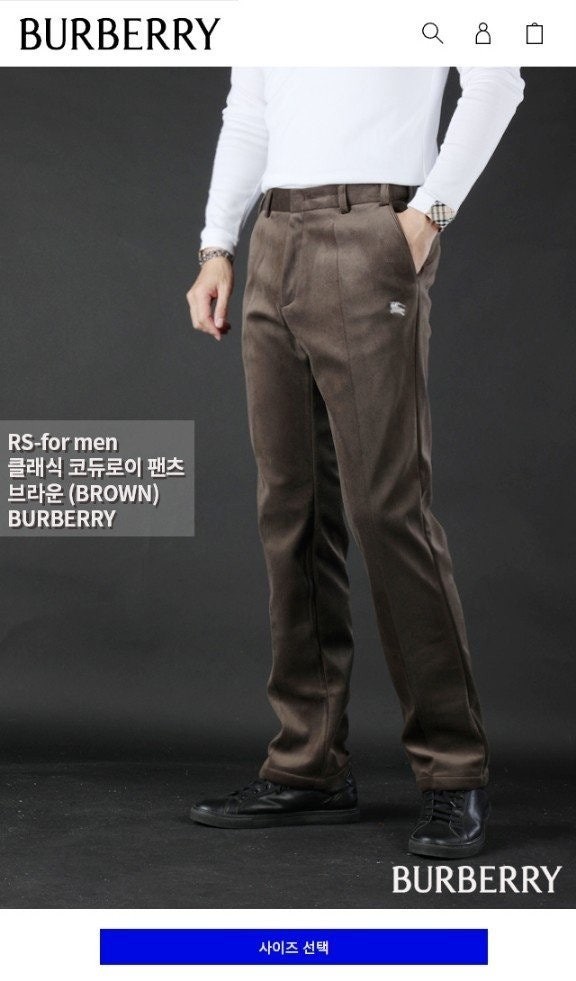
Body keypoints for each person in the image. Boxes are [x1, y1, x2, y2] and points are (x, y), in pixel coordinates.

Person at [186, 68, 524, 858]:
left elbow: (497, 83)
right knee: (291, 512)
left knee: (386, 507)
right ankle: (308, 767)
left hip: (372, 226)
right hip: (273, 236)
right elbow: (249, 111)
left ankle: (453, 771)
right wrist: (217, 244)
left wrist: (428, 217)